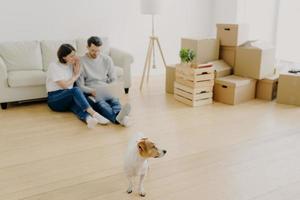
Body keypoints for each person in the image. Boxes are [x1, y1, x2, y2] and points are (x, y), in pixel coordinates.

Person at [46, 44, 109, 128]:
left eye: (74, 54)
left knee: (84, 103)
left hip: (68, 97)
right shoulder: (54, 66)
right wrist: (76, 75)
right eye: (71, 56)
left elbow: (81, 60)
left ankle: (89, 119)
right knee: (75, 90)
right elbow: (64, 86)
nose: (74, 57)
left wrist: (77, 63)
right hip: (55, 100)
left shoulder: (71, 64)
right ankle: (94, 114)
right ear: (64, 57)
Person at [77, 36, 131, 126]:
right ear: (87, 47)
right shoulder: (81, 61)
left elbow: (114, 78)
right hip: (92, 91)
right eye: (93, 50)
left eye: (98, 50)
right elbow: (80, 85)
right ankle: (119, 118)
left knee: (114, 100)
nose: (96, 53)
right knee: (102, 104)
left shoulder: (107, 59)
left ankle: (119, 116)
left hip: (106, 88)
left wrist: (111, 87)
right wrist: (91, 91)